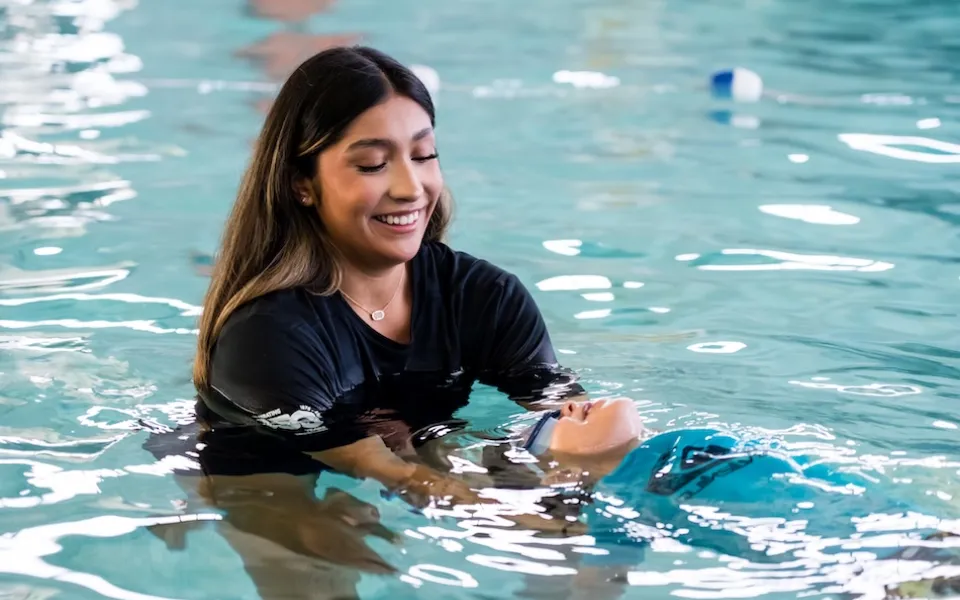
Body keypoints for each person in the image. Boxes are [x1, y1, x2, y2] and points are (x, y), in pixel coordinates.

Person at [146, 45, 586, 599]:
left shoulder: (485, 296)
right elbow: (390, 473)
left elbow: (563, 415)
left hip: (410, 437)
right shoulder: (267, 335)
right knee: (319, 562)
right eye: (373, 164)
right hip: (265, 466)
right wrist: (493, 511)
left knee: (575, 554)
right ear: (301, 183)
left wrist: (586, 463)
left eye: (423, 155)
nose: (410, 187)